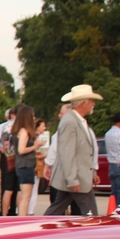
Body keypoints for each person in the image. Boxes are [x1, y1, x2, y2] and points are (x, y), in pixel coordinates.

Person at [45, 85, 102, 216]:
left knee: (56, 210)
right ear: (83, 103)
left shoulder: (78, 121)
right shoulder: (70, 122)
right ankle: (41, 226)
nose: (93, 104)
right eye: (91, 100)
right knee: (91, 215)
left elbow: (85, 151)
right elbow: (67, 153)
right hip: (77, 178)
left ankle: (41, 227)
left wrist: (92, 173)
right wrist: (72, 180)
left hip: (78, 177)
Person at [43, 103, 82, 215]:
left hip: (62, 170)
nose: (59, 116)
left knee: (58, 202)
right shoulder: (81, 127)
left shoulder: (64, 128)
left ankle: (52, 220)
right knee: (76, 203)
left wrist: (48, 164)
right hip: (76, 171)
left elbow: (54, 149)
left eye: (62, 113)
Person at [10, 105, 44, 218]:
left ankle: (21, 216)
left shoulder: (18, 131)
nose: (34, 118)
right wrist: (35, 146)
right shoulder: (24, 131)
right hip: (25, 165)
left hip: (22, 165)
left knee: (23, 195)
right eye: (32, 115)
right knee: (26, 196)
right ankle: (22, 218)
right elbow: (21, 150)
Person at [29, 119, 49, 215]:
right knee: (33, 189)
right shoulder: (34, 138)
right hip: (34, 165)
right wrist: (43, 156)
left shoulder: (35, 137)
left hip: (34, 164)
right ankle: (30, 210)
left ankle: (29, 209)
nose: (44, 128)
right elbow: (32, 154)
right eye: (42, 126)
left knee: (32, 189)